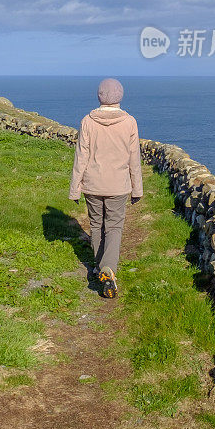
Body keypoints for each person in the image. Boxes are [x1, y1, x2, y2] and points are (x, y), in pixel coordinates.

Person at [69, 77, 142, 299]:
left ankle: (100, 267)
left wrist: (75, 189)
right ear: (120, 95)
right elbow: (134, 158)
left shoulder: (87, 121)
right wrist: (137, 189)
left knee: (96, 225)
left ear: (99, 95)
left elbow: (81, 157)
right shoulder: (129, 122)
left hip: (92, 184)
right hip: (118, 185)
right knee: (114, 227)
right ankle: (108, 269)